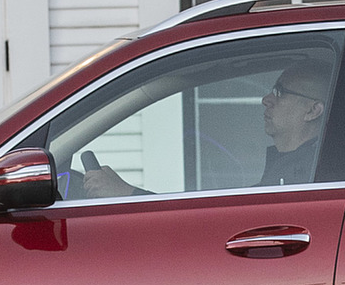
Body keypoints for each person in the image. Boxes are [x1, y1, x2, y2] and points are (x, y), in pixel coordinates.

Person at [73, 60, 331, 197]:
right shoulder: (293, 168)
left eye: (280, 92)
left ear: (313, 111)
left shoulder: (304, 176)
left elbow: (232, 226)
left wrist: (126, 194)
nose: (266, 99)